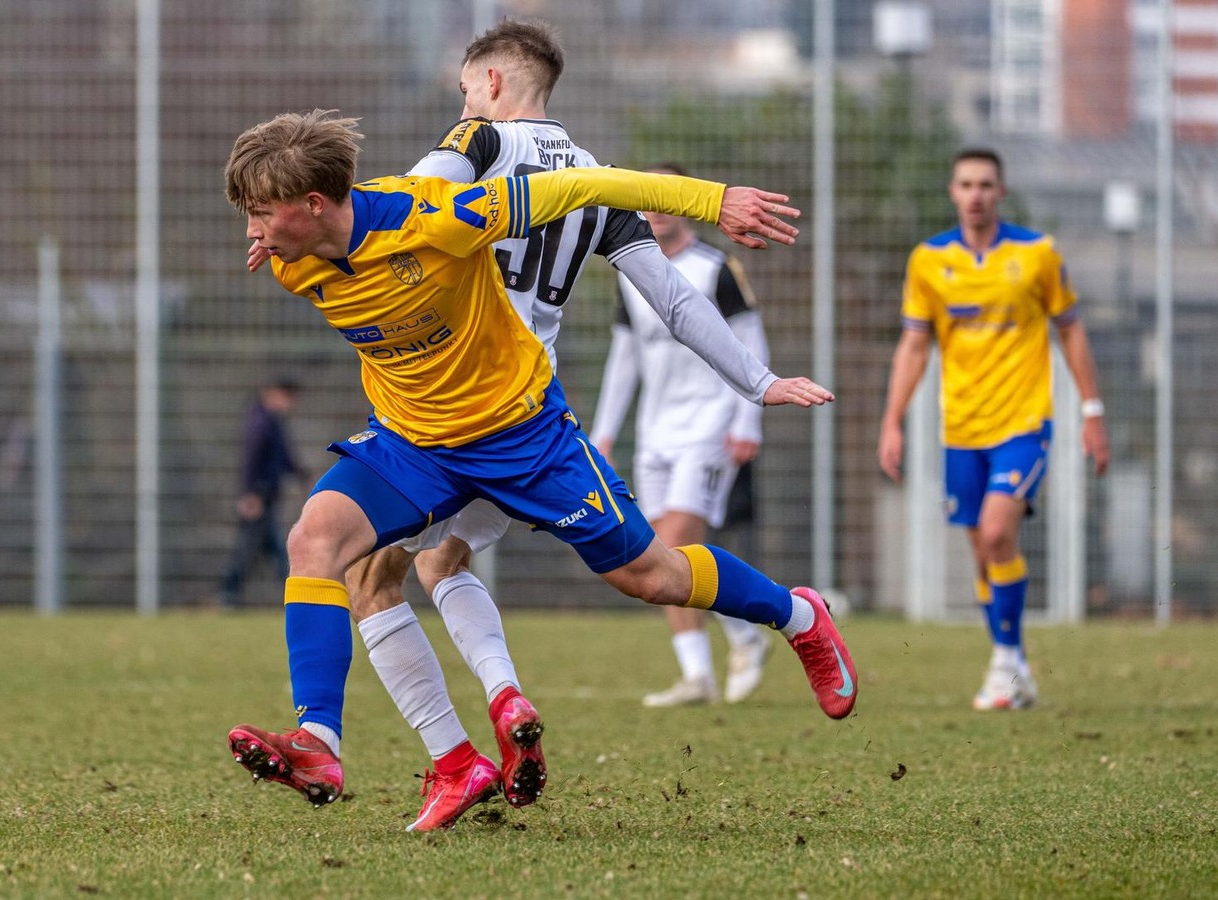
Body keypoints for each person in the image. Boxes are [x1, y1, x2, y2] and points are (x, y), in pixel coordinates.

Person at [240, 21, 824, 832]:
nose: (462, 99)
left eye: (464, 87)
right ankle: (379, 740)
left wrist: (712, 202)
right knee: (344, 552)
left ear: (487, 83)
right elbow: (673, 299)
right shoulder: (594, 180)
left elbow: (421, 203)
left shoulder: (467, 157)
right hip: (428, 427)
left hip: (518, 418)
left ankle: (796, 616)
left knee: (641, 573)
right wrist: (755, 378)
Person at [878, 147, 1109, 711]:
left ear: (1001, 192)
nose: (976, 194)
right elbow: (914, 344)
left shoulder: (1037, 254)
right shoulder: (928, 261)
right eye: (966, 184)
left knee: (998, 530)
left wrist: (1092, 410)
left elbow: (1071, 330)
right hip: (961, 429)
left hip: (1025, 422)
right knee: (984, 550)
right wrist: (893, 421)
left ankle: (1005, 664)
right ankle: (1015, 663)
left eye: (986, 184)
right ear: (953, 193)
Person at [591, 163, 774, 708]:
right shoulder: (631, 272)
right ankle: (737, 641)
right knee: (664, 554)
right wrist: (603, 432)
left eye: (669, 194)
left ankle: (700, 671)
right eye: (650, 195)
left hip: (710, 426)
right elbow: (625, 359)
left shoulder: (716, 268)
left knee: (670, 547)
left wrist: (747, 420)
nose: (657, 205)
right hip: (656, 432)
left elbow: (751, 342)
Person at [217, 379, 306, 609]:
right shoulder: (261, 424)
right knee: (252, 548)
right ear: (272, 394)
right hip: (260, 496)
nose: (290, 404)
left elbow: (283, 457)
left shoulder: (272, 423)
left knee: (267, 547)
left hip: (267, 495)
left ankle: (232, 593)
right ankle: (229, 593)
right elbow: (251, 461)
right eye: (287, 397)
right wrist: (249, 494)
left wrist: (300, 473)